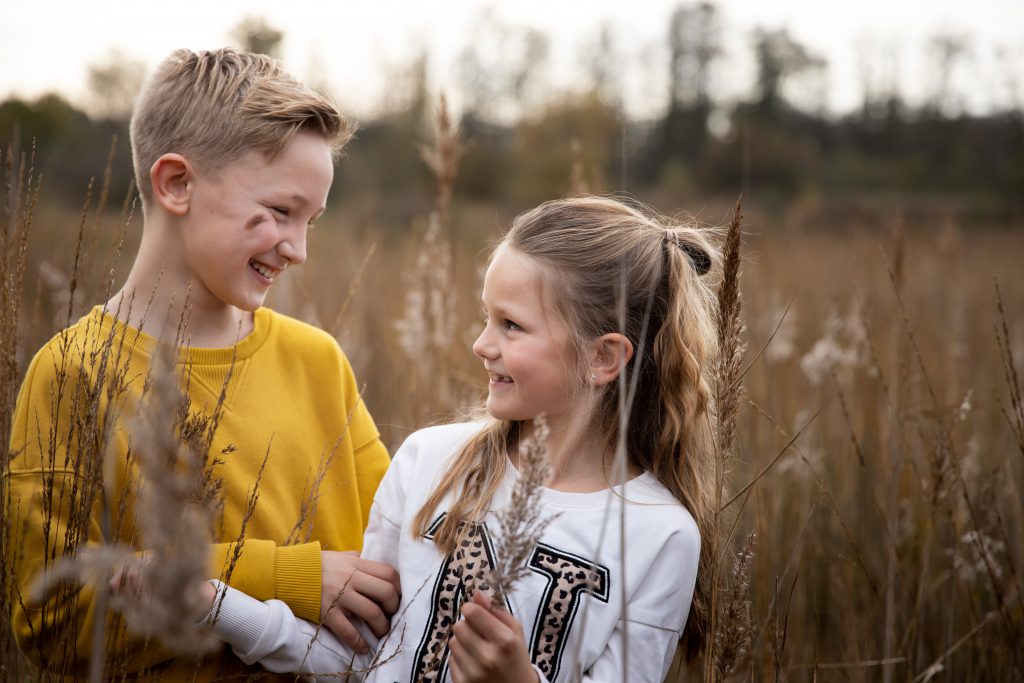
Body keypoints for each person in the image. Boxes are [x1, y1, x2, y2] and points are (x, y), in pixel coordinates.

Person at [195, 195, 719, 682]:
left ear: (604, 357)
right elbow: (363, 654)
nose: (480, 344)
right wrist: (218, 606)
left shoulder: (661, 537)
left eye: (511, 325)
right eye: (485, 317)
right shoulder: (430, 461)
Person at [6, 48, 399, 680]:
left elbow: (394, 556)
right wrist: (282, 578)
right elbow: (48, 622)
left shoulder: (317, 361)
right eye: (279, 212)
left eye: (311, 221)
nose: (298, 249)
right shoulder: (73, 373)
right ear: (176, 184)